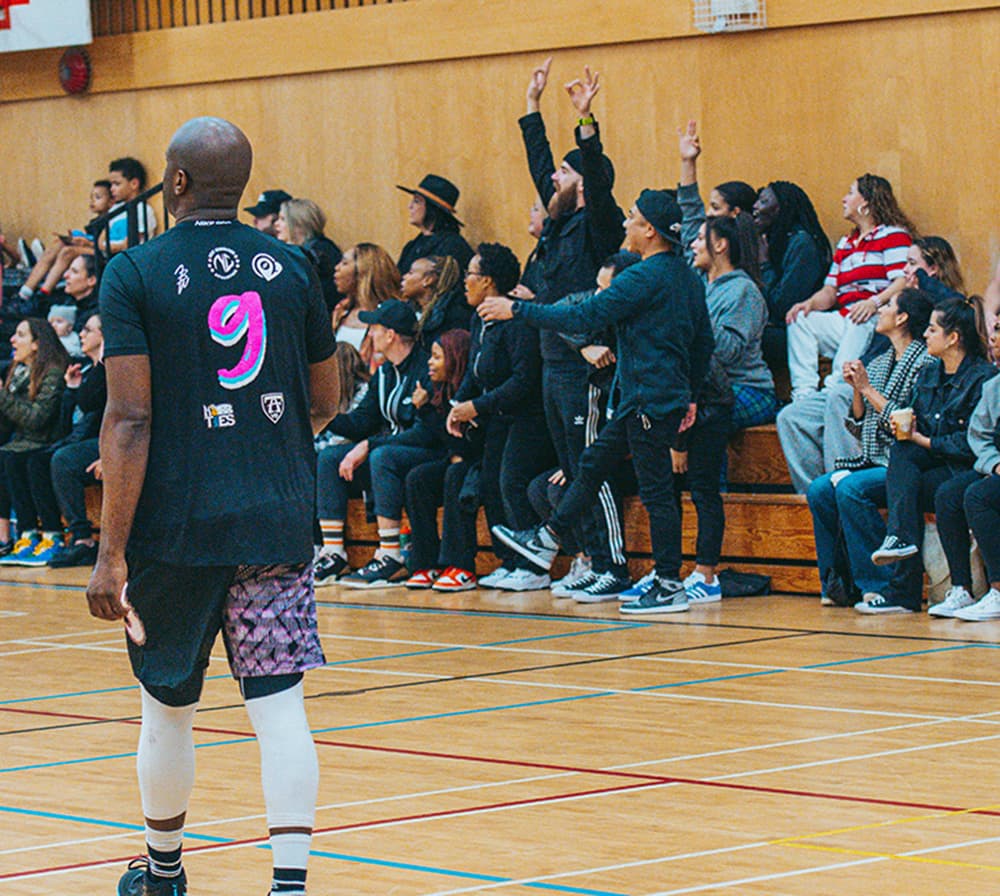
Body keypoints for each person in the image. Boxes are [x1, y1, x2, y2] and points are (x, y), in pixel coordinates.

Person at [85, 117, 340, 896]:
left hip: (175, 529)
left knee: (166, 712)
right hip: (275, 520)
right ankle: (288, 886)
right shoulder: (296, 268)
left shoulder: (135, 272)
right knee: (280, 710)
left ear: (177, 183)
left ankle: (163, 876)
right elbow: (324, 400)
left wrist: (109, 552)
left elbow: (130, 418)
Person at [482, 189, 714, 614]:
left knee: (657, 492)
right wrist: (690, 394)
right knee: (590, 465)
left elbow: (582, 317)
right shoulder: (685, 277)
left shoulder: (644, 277)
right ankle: (548, 538)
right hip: (649, 398)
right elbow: (704, 343)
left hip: (649, 400)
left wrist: (518, 311)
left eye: (632, 217)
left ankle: (668, 583)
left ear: (649, 231)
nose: (625, 224)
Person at [517, 59, 627, 598]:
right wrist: (532, 107)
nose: (551, 182)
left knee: (588, 465)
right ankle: (585, 554)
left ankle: (613, 563)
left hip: (588, 359)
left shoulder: (595, 224)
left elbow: (600, 181)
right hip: (553, 358)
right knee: (566, 466)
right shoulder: (558, 222)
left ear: (580, 182)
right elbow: (540, 164)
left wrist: (586, 125)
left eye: (563, 174)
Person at [862, 297, 995, 613]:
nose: (925, 335)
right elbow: (915, 422)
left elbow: (969, 444)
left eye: (932, 329)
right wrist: (905, 428)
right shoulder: (929, 373)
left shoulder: (982, 377)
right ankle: (901, 547)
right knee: (902, 461)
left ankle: (920, 583)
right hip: (932, 465)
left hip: (964, 466)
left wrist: (923, 440)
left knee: (934, 491)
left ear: (953, 337)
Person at [805, 288, 933, 606]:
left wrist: (865, 388)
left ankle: (879, 585)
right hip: (873, 457)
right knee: (820, 489)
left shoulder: (925, 362)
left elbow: (906, 421)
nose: (880, 310)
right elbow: (860, 425)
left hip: (907, 461)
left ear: (902, 318)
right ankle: (837, 582)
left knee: (851, 489)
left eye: (888, 305)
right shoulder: (879, 361)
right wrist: (857, 391)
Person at [446, 243, 555, 592]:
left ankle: (533, 566)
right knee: (491, 484)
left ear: (489, 281)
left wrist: (476, 407)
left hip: (529, 416)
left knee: (511, 482)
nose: (465, 282)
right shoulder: (477, 318)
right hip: (498, 417)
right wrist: (459, 403)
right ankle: (509, 562)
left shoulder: (516, 320)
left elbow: (524, 380)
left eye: (471, 275)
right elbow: (475, 373)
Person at [313, 299, 427, 587]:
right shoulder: (386, 372)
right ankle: (333, 553)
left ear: (390, 335)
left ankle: (392, 557)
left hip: (424, 451)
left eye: (374, 328)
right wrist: (319, 412)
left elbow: (426, 432)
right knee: (329, 457)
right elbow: (361, 422)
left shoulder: (425, 368)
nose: (370, 335)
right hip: (388, 451)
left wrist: (369, 445)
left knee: (382, 456)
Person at [785, 174, 915, 401]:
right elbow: (830, 290)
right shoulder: (846, 243)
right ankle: (804, 395)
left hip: (876, 316)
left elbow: (903, 281)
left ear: (866, 202)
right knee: (799, 320)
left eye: (850, 193)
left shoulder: (892, 236)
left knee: (860, 318)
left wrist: (874, 302)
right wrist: (809, 304)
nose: (844, 199)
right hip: (846, 316)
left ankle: (834, 390)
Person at [930, 317, 1000, 618]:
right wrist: (994, 463)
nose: (993, 338)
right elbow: (979, 435)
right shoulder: (994, 386)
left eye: (999, 332)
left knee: (979, 496)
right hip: (997, 467)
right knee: (948, 494)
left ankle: (997, 590)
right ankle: (962, 589)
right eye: (994, 331)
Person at [690, 213, 776, 432]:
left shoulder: (743, 291)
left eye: (700, 239)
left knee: (701, 418)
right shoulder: (700, 284)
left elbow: (729, 351)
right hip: (710, 387)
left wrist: (694, 312)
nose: (693, 245)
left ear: (719, 245)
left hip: (748, 388)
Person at [0, 319, 69, 565]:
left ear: (37, 344)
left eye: (20, 335)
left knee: (25, 461)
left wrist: (2, 396)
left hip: (49, 441)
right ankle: (24, 534)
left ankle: (52, 535)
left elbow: (37, 419)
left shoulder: (53, 372)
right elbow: (8, 424)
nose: (12, 340)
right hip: (22, 442)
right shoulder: (16, 371)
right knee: (7, 456)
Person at [751, 180, 832, 378]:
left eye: (763, 201)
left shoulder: (802, 245)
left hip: (794, 331)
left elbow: (783, 305)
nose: (755, 207)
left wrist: (764, 265)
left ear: (781, 208)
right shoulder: (778, 240)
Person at [47, 313, 108, 567]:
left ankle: (83, 538)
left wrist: (110, 455)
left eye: (88, 330)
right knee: (41, 457)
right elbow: (68, 424)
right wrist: (71, 389)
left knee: (64, 459)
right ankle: (52, 535)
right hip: (96, 441)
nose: (82, 334)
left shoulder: (112, 368)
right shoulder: (90, 371)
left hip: (117, 444)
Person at [16, 179, 112, 305]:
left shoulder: (112, 220)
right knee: (59, 244)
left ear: (111, 202)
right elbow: (88, 237)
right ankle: (25, 291)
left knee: (68, 251)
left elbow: (104, 245)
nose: (92, 201)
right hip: (90, 247)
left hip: (103, 253)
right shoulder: (94, 222)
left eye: (98, 197)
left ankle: (44, 293)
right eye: (91, 197)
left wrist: (84, 242)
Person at [676, 119, 757, 261]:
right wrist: (688, 162)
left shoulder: (747, 260)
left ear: (735, 213)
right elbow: (690, 210)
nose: (708, 214)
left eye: (715, 207)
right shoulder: (699, 250)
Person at [331, 242, 401, 361]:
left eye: (345, 263)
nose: (336, 268)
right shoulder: (341, 310)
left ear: (363, 271)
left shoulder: (391, 316)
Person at [275, 197, 343, 313]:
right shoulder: (312, 250)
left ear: (299, 224)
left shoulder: (319, 254)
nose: (276, 224)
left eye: (282, 219)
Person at [396, 174, 474, 275]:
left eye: (417, 201)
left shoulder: (453, 246)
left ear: (432, 209)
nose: (410, 206)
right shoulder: (412, 246)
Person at [401, 254, 470, 350]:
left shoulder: (452, 315)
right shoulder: (407, 311)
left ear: (428, 280)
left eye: (410, 273)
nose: (404, 277)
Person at [105, 157, 159, 254]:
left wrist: (105, 246)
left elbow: (130, 244)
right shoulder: (115, 209)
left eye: (117, 184)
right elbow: (102, 239)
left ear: (134, 184)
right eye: (111, 185)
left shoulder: (144, 211)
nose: (112, 189)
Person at [902, 235, 965, 305]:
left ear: (933, 269)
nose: (904, 269)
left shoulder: (952, 306)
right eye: (906, 262)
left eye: (912, 263)